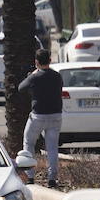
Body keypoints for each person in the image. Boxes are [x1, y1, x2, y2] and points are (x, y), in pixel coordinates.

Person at [19, 47, 64, 189]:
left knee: (28, 143)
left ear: (36, 62)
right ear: (50, 61)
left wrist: (32, 75)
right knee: (52, 148)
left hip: (38, 116)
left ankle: (30, 176)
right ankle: (52, 178)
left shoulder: (34, 77)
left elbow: (21, 88)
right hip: (55, 116)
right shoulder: (57, 76)